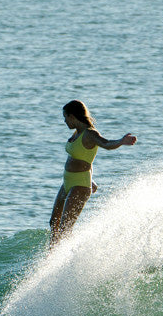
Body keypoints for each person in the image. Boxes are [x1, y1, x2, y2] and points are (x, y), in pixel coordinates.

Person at [49, 100, 137, 244]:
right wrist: (92, 179)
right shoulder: (76, 133)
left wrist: (121, 141)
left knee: (65, 227)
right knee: (54, 222)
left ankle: (67, 260)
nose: (64, 121)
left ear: (72, 116)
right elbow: (85, 157)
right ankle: (50, 256)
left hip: (80, 185)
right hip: (68, 182)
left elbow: (106, 144)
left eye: (65, 117)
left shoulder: (90, 134)